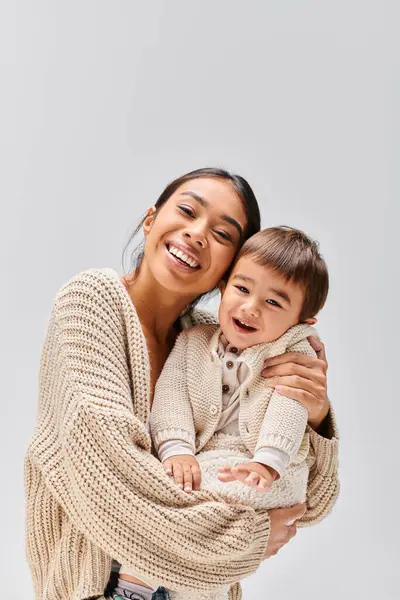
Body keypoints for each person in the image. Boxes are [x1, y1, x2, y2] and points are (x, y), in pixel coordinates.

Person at [24, 168, 337, 600]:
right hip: (100, 587)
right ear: (151, 219)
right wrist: (243, 538)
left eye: (224, 235)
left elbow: (307, 505)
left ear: (232, 266)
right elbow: (110, 486)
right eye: (187, 210)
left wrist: (313, 418)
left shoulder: (219, 341)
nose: (196, 234)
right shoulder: (91, 302)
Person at [144, 226, 338, 600]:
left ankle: (161, 573)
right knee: (177, 484)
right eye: (243, 289)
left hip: (269, 468)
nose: (250, 307)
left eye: (274, 303)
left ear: (304, 319)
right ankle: (185, 580)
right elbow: (171, 398)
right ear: (223, 285)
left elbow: (288, 405)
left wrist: (267, 461)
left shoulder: (293, 350)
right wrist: (176, 448)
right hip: (211, 460)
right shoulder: (193, 340)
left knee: (199, 501)